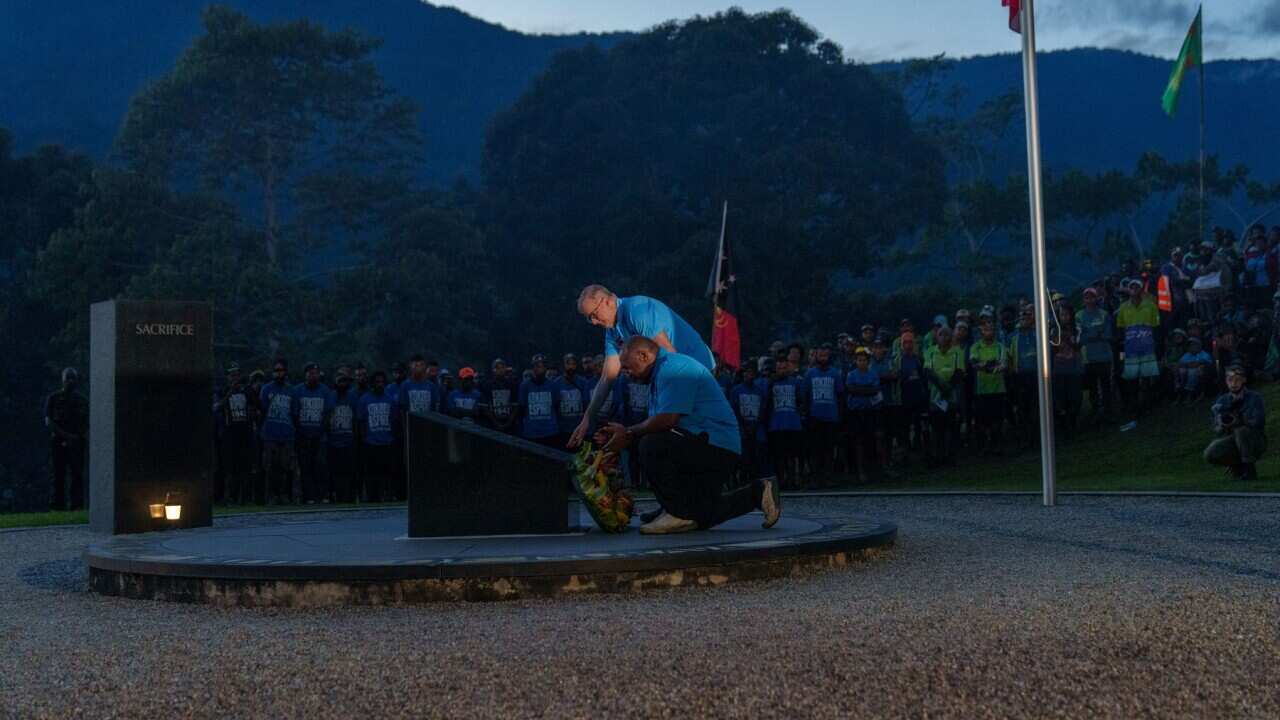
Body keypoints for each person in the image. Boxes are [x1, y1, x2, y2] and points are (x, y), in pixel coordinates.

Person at [593, 336, 780, 535]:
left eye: (626, 366)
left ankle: (677, 512)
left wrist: (627, 433)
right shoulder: (658, 375)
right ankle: (757, 493)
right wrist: (620, 437)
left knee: (651, 445)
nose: (624, 372)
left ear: (643, 356)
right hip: (700, 444)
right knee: (699, 516)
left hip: (716, 447)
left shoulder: (674, 368)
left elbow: (668, 420)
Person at [570, 285, 715, 449]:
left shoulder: (636, 311)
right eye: (589, 318)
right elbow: (607, 378)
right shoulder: (612, 332)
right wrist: (587, 419)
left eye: (594, 315)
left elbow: (670, 358)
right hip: (679, 378)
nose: (594, 322)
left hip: (697, 369)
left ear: (607, 301)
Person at [1203, 365, 1266, 481]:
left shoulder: (1255, 398)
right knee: (1210, 453)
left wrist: (1240, 420)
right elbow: (1216, 429)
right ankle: (1236, 465)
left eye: (1237, 379)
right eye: (1230, 380)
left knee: (1241, 431)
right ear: (1226, 381)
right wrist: (1220, 424)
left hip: (1254, 440)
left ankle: (1250, 470)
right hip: (1232, 439)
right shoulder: (1222, 400)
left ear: (1244, 380)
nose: (1233, 383)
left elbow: (1259, 422)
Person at [1115, 278, 1161, 418]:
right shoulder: (1123, 307)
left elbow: (1156, 326)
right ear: (1129, 290)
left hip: (1147, 347)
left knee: (1146, 378)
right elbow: (1120, 328)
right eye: (1132, 287)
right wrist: (1121, 352)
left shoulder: (1150, 305)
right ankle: (1134, 407)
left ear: (1141, 289)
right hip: (1130, 349)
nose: (1134, 289)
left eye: (1137, 287)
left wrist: (1156, 345)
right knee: (1132, 379)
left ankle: (1147, 406)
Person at [44, 367, 88, 511]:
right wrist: (66, 435)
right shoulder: (53, 398)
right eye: (67, 378)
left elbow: (87, 421)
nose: (70, 381)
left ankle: (77, 505)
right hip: (58, 441)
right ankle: (57, 505)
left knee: (77, 474)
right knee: (58, 473)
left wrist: (77, 436)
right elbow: (49, 421)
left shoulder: (82, 400)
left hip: (77, 442)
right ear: (62, 380)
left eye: (72, 378)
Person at [214, 364, 257, 505]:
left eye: (237, 375)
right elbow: (216, 407)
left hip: (245, 434)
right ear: (228, 377)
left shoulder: (248, 391)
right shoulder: (223, 391)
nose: (235, 378)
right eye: (232, 375)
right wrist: (229, 393)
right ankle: (231, 497)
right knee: (230, 468)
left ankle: (245, 498)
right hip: (229, 435)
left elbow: (255, 407)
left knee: (245, 467)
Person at [259, 359, 299, 504]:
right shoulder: (266, 389)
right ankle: (270, 497)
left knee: (285, 467)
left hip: (287, 435)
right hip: (270, 435)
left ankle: (284, 495)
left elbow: (294, 413)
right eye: (276, 370)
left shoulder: (292, 391)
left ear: (285, 372)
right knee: (270, 468)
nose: (278, 373)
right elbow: (262, 410)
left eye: (281, 370)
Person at [923, 327, 965, 466]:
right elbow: (928, 371)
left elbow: (959, 372)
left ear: (951, 337)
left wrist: (948, 388)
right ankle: (938, 456)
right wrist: (942, 387)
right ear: (937, 337)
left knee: (951, 427)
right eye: (941, 334)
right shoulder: (930, 351)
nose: (944, 337)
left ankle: (950, 456)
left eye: (947, 335)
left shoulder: (957, 352)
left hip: (952, 397)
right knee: (937, 427)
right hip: (935, 397)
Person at [356, 370, 398, 502]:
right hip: (371, 443)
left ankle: (388, 496)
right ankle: (372, 498)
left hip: (387, 442)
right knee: (371, 474)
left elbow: (394, 420)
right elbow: (361, 421)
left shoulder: (390, 399)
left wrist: (392, 438)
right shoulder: (364, 399)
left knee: (387, 473)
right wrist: (364, 439)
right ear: (372, 383)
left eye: (382, 382)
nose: (380, 384)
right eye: (377, 382)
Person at [765, 354, 806, 489]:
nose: (782, 371)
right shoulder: (771, 383)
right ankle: (781, 481)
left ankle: (792, 480)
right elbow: (766, 403)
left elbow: (801, 400)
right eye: (779, 368)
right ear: (776, 369)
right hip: (776, 425)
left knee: (792, 455)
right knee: (779, 456)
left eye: (784, 368)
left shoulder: (795, 382)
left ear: (788, 368)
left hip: (793, 424)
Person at [804, 342, 843, 482]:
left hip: (831, 417)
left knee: (829, 449)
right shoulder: (810, 374)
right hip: (815, 417)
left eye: (825, 355)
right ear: (816, 356)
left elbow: (840, 395)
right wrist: (808, 415)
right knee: (815, 449)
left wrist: (839, 416)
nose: (823, 357)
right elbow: (806, 396)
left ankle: (828, 476)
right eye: (820, 355)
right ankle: (816, 477)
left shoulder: (835, 373)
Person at [294, 362, 332, 504]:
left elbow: (328, 413)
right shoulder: (298, 390)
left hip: (320, 436)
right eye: (311, 373)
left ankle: (323, 495)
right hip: (303, 436)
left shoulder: (325, 390)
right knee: (305, 466)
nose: (314, 376)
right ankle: (308, 496)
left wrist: (321, 431)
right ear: (305, 375)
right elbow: (295, 414)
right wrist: (301, 432)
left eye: (316, 373)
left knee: (321, 465)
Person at [969, 320, 1008, 455]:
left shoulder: (1000, 347)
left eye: (991, 329)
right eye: (985, 329)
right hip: (982, 389)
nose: (988, 332)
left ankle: (997, 446)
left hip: (998, 389)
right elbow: (974, 364)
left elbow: (1003, 365)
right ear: (981, 332)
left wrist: (984, 365)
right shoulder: (975, 347)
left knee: (997, 419)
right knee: (982, 420)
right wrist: (992, 364)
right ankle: (983, 446)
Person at [844, 347, 882, 483]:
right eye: (859, 360)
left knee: (871, 440)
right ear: (856, 361)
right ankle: (860, 471)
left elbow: (875, 390)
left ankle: (873, 471)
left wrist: (859, 390)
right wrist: (866, 389)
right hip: (855, 412)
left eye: (864, 360)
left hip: (870, 411)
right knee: (858, 442)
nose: (861, 362)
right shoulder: (851, 374)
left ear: (868, 361)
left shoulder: (873, 373)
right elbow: (850, 389)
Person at [1078, 287, 1114, 422]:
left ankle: (1108, 412)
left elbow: (1108, 335)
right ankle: (1095, 412)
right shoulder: (1078, 316)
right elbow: (1080, 338)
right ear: (1083, 300)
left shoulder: (1104, 314)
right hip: (1088, 358)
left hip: (1105, 356)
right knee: (1092, 388)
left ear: (1096, 298)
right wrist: (1097, 332)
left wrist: (1090, 333)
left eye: (1092, 297)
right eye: (1087, 297)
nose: (1089, 300)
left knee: (1106, 386)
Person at [326, 366, 359, 503]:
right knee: (335, 473)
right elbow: (327, 418)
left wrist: (355, 439)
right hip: (333, 442)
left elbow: (356, 419)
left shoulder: (353, 396)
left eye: (345, 381)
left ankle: (349, 498)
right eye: (341, 381)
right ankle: (336, 497)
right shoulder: (330, 396)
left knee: (349, 472)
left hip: (348, 442)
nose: (343, 384)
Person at [516, 354, 560, 447]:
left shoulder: (553, 385)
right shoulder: (525, 386)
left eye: (542, 366)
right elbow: (521, 408)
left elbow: (556, 405)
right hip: (531, 432)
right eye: (537, 365)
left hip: (550, 431)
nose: (540, 368)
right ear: (533, 368)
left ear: (546, 368)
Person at [554, 353, 591, 445]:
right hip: (563, 428)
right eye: (568, 363)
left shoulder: (583, 382)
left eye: (573, 364)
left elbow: (587, 404)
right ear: (563, 365)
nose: (570, 367)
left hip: (579, 427)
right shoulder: (556, 383)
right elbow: (555, 406)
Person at [481, 358, 518, 433]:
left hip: (510, 425)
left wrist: (509, 422)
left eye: (502, 367)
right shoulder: (487, 385)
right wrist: (496, 423)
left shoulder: (512, 384)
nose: (500, 370)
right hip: (492, 425)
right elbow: (484, 407)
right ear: (493, 370)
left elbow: (515, 405)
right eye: (497, 368)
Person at [1176, 337, 1213, 403]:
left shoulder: (1204, 354)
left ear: (1199, 345)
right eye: (1190, 345)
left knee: (1192, 372)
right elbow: (1180, 363)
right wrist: (1187, 365)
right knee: (1182, 371)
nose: (1192, 346)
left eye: (1194, 344)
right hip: (1187, 373)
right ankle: (1180, 393)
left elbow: (1208, 363)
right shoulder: (1187, 354)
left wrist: (1198, 363)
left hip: (1200, 373)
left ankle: (1189, 395)